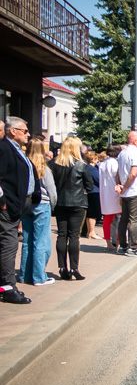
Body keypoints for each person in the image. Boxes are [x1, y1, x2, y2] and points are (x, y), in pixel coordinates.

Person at [0, 118, 42, 304]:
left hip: (20, 204)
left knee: (10, 244)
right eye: (24, 131)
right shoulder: (4, 148)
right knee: (9, 245)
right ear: (12, 131)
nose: (28, 134)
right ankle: (8, 287)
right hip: (9, 206)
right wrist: (3, 201)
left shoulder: (17, 149)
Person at [49, 136, 93, 280]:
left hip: (60, 203)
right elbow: (90, 186)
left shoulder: (53, 164)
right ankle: (74, 268)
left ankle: (62, 268)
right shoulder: (81, 165)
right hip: (78, 203)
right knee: (74, 236)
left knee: (62, 235)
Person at [20, 139, 57, 286]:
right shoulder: (44, 169)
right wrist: (53, 206)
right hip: (42, 205)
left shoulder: (23, 167)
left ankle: (24, 275)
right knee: (41, 242)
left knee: (27, 242)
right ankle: (39, 276)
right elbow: (52, 191)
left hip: (26, 205)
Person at [115, 131, 137, 257]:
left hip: (125, 192)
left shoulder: (122, 153)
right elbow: (133, 173)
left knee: (124, 219)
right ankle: (132, 247)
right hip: (134, 190)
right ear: (134, 141)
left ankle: (122, 246)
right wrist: (125, 186)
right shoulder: (135, 153)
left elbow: (117, 172)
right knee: (135, 220)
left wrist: (119, 184)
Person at [99, 145, 122, 251]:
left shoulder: (102, 164)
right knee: (122, 218)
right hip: (116, 192)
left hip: (105, 192)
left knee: (107, 219)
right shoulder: (116, 164)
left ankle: (108, 242)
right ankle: (118, 241)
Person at [84, 151, 101, 239]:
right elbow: (99, 180)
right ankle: (91, 232)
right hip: (94, 192)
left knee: (89, 213)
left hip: (89, 192)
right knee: (93, 213)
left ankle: (89, 231)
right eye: (96, 159)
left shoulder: (86, 167)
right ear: (92, 159)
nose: (97, 160)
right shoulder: (92, 169)